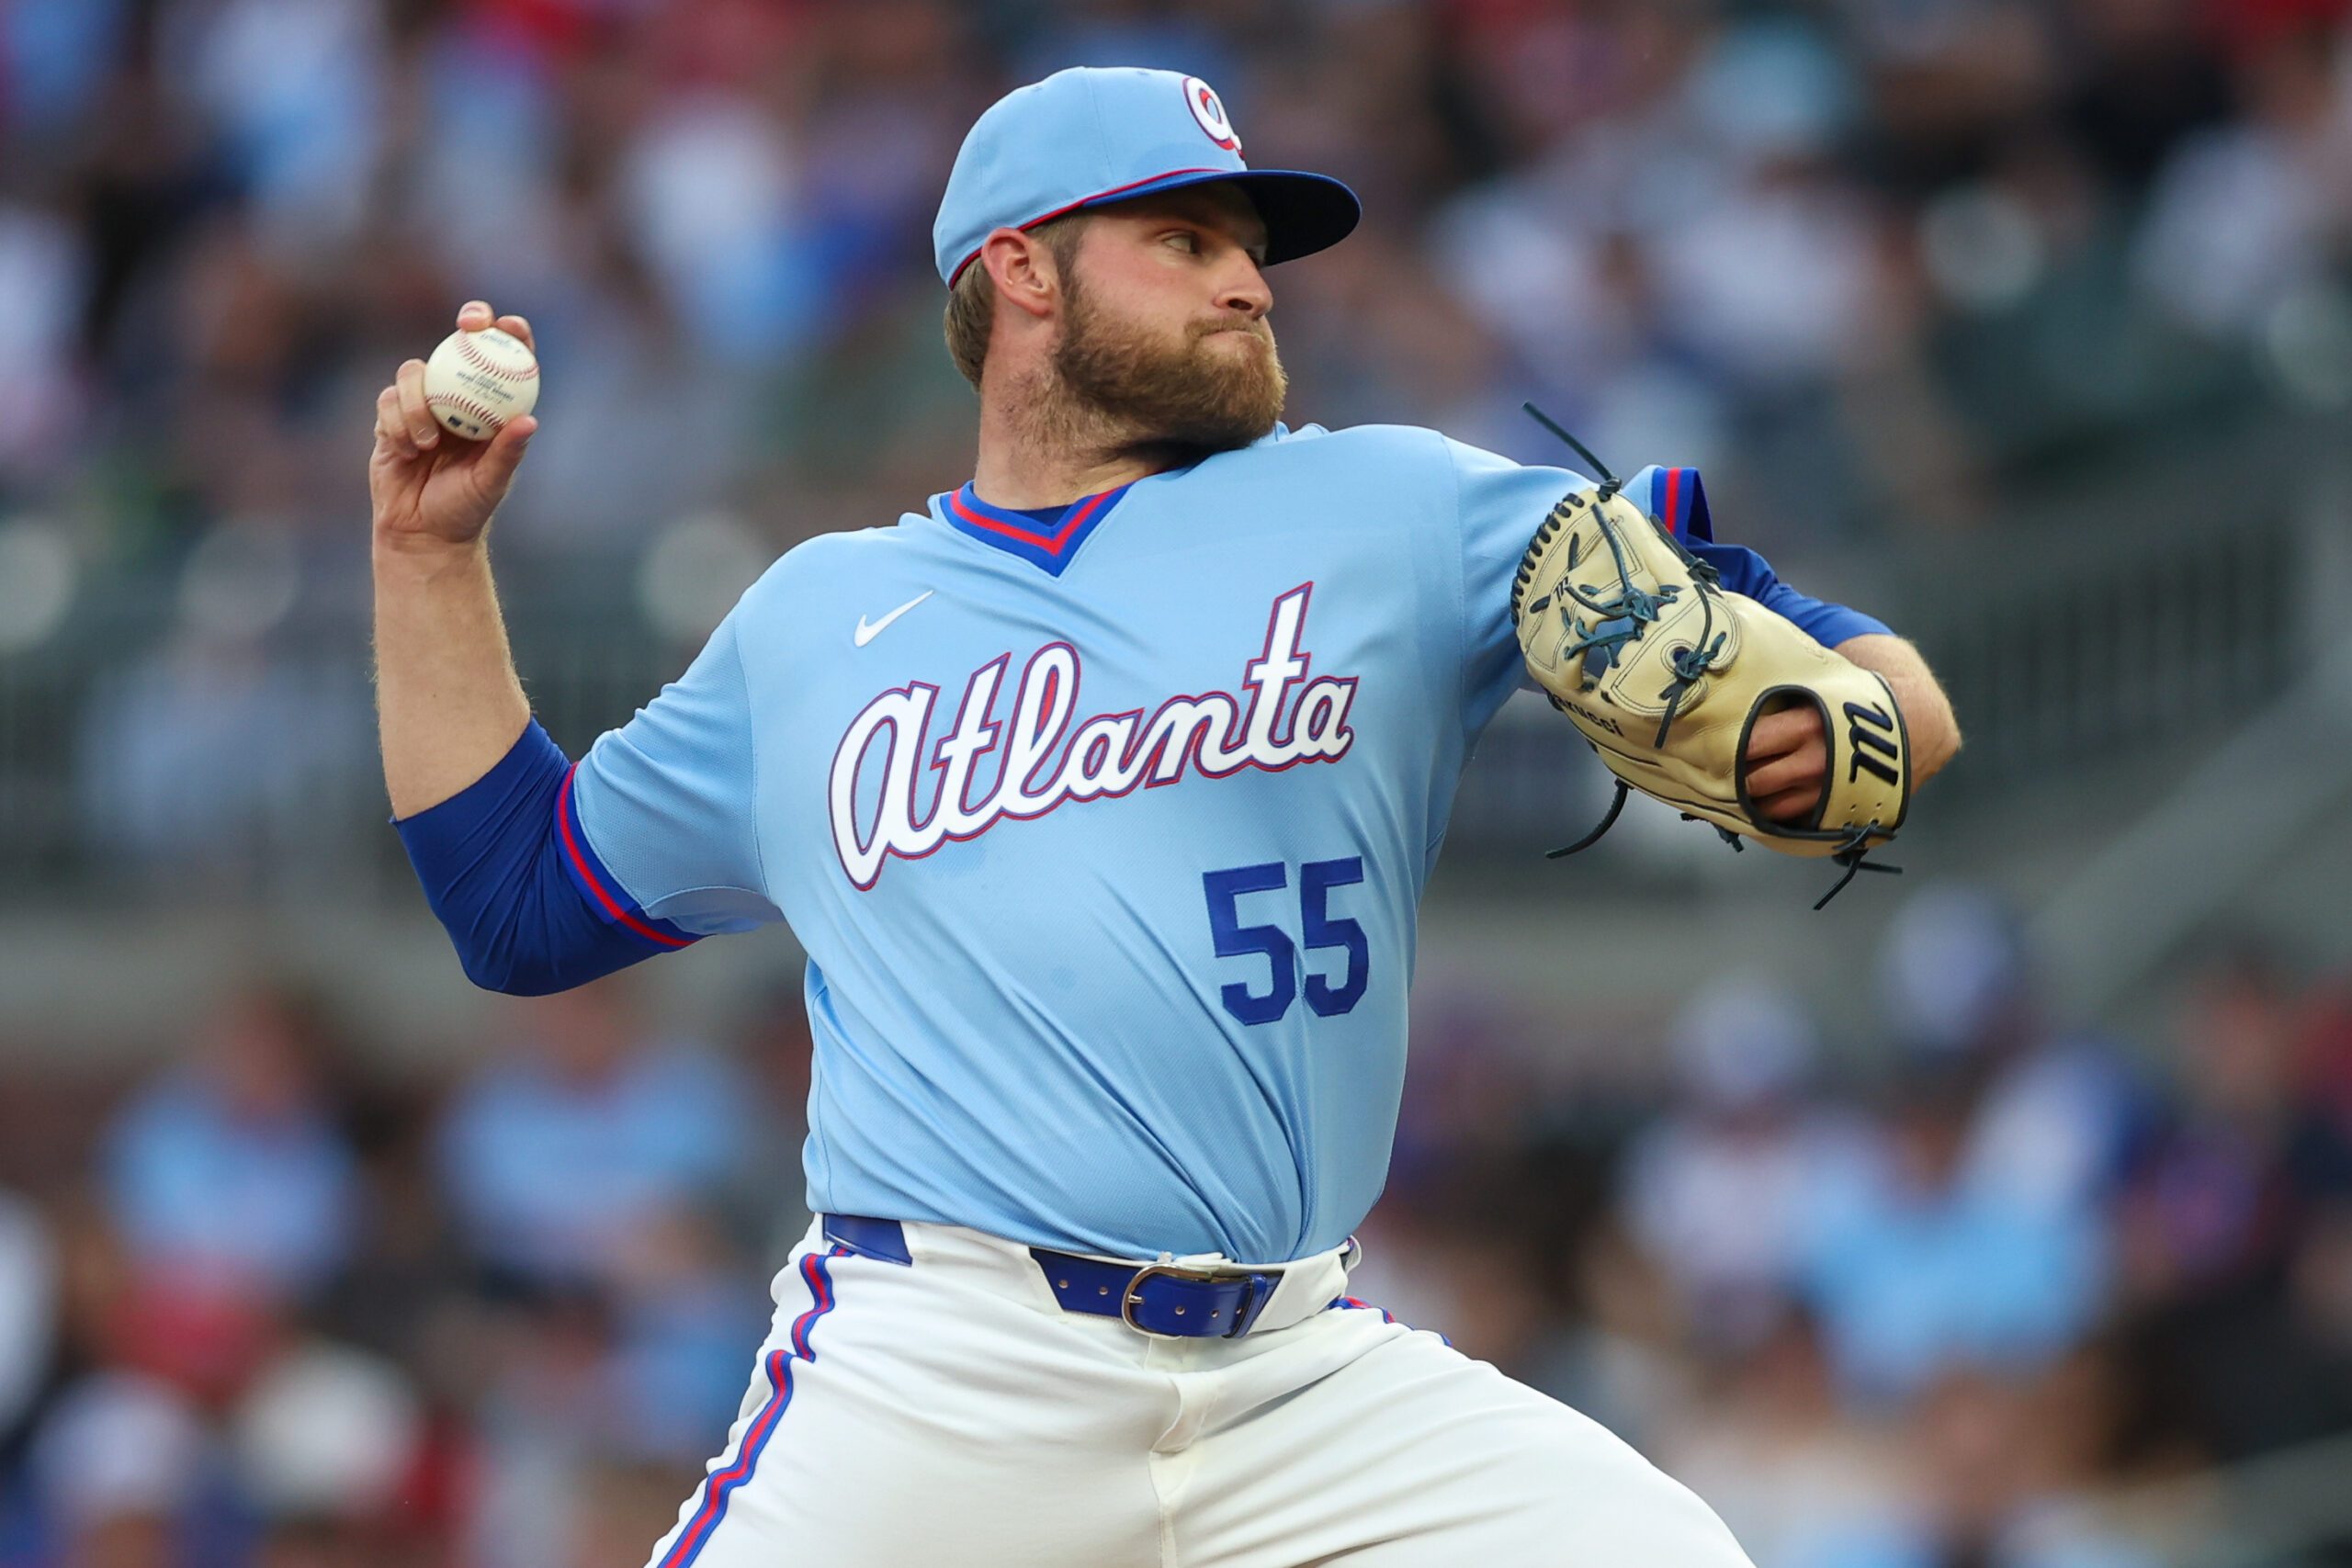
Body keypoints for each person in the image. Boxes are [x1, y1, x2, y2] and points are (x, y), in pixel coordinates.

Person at [369, 66, 1959, 1568]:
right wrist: (430, 565)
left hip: (1306, 1378)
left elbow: (1867, 695)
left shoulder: (1399, 508)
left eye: (1255, 252)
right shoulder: (815, 624)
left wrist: (1854, 731)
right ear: (1023, 274)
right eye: (1185, 240)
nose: (1250, 283)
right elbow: (517, 904)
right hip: (947, 1373)